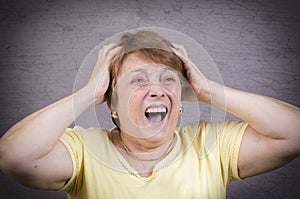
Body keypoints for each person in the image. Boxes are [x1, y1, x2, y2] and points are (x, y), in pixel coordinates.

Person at [0, 31, 299, 199]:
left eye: (168, 79)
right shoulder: (85, 151)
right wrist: (89, 93)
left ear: (181, 100)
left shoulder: (212, 145)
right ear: (111, 104)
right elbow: (14, 156)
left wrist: (209, 91)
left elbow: (294, 132)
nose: (156, 89)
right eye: (139, 80)